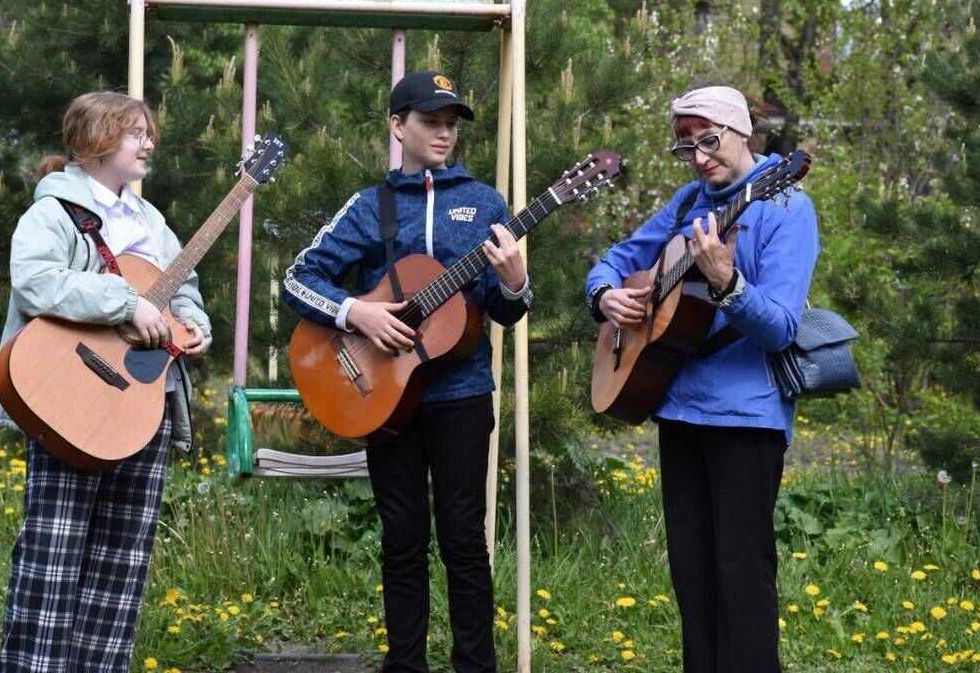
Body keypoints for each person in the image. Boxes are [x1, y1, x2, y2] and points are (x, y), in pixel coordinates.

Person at [283, 70, 532, 673]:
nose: (444, 133)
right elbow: (298, 279)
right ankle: (405, 665)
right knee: (402, 539)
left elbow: (503, 311)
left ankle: (476, 666)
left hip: (463, 395)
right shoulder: (372, 205)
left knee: (465, 541)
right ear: (399, 126)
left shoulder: (488, 203)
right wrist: (356, 313)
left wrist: (515, 281)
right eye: (430, 122)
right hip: (380, 396)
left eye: (451, 124)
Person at [585, 85, 818, 673]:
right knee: (692, 577)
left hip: (746, 418)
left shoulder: (785, 206)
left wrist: (727, 284)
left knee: (741, 576)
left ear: (742, 132)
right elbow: (615, 258)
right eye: (686, 147)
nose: (700, 158)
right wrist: (606, 295)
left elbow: (782, 328)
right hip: (679, 410)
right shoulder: (690, 199)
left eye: (709, 141)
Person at [0, 91, 212, 672]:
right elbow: (35, 281)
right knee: (54, 551)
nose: (150, 143)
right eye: (136, 132)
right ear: (95, 141)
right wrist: (124, 302)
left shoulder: (149, 220)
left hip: (143, 402)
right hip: (70, 397)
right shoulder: (53, 213)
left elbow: (179, 288)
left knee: (124, 556)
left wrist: (194, 324)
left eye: (149, 133)